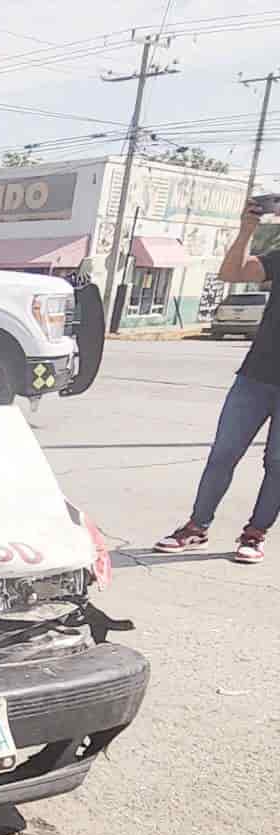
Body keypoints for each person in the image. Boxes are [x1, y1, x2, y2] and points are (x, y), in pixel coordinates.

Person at [155, 197, 280, 565]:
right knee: (223, 454)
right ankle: (196, 527)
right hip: (255, 377)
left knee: (277, 464)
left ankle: (255, 534)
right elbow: (233, 273)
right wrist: (247, 230)